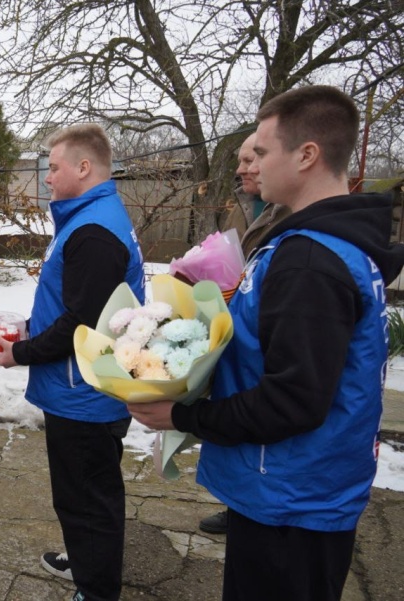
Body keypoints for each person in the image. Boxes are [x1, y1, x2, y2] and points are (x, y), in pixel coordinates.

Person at [129, 85, 404, 601]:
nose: (252, 163)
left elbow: (293, 401)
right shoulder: (312, 245)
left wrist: (184, 416)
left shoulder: (309, 262)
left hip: (292, 499)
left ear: (306, 155)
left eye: (263, 149)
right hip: (290, 489)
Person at [0, 124, 145, 601]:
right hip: (79, 388)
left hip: (85, 394)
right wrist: (29, 327)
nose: (47, 178)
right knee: (83, 494)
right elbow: (76, 302)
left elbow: (82, 323)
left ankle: (95, 590)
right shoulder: (89, 219)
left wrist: (20, 352)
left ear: (84, 167)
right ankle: (86, 560)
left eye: (53, 168)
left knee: (88, 500)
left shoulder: (94, 231)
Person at [199, 132, 293, 535]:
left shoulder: (298, 232)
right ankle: (238, 505)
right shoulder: (253, 208)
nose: (241, 169)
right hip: (239, 335)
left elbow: (295, 395)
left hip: (283, 474)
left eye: (252, 158)